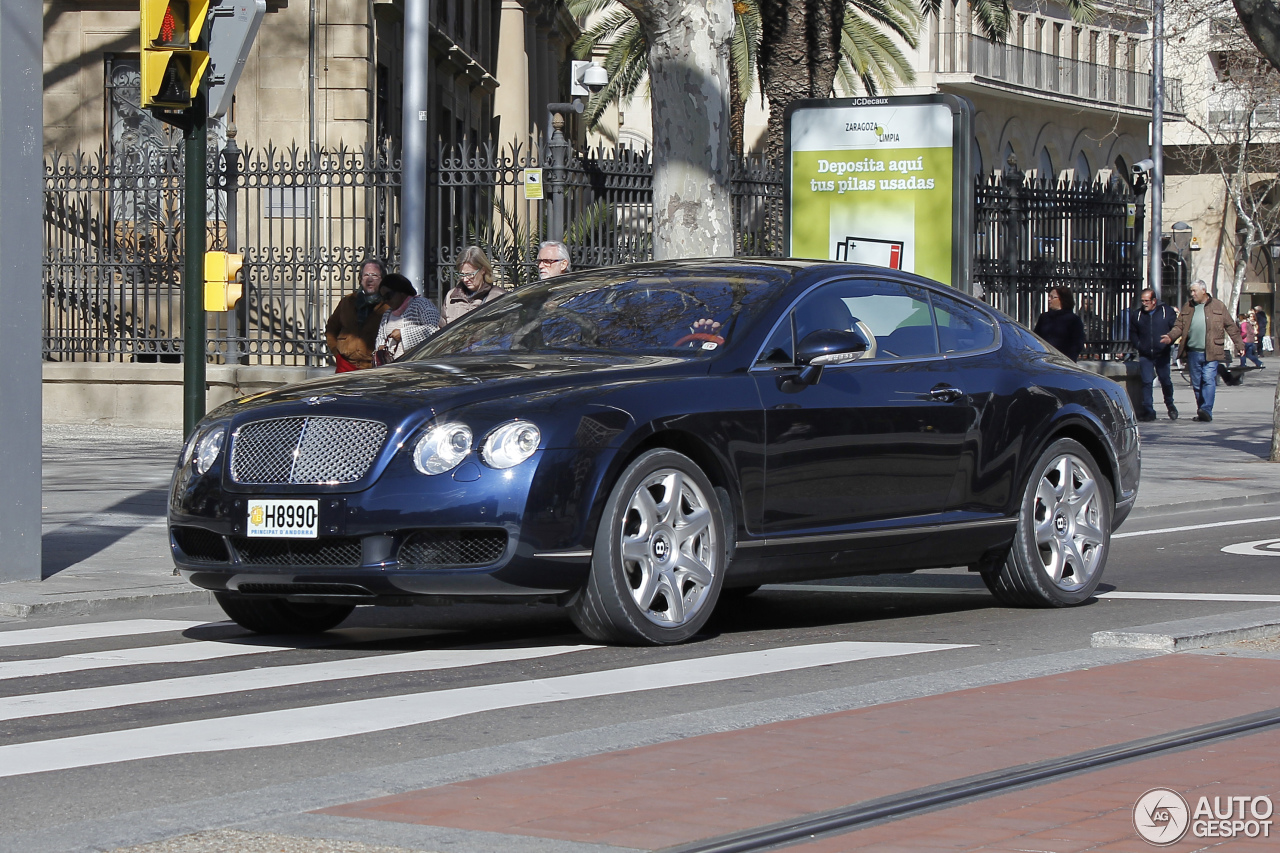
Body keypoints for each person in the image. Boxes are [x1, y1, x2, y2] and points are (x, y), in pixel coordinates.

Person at [1160, 280, 1245, 422]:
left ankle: (1206, 409)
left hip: (1212, 350)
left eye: (1194, 291)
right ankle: (1202, 411)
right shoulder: (1188, 307)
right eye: (1191, 291)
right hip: (1193, 352)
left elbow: (1231, 326)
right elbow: (1179, 326)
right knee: (1197, 382)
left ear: (1203, 291)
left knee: (1208, 379)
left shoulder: (1218, 306)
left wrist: (1240, 345)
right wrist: (1170, 337)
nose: (1192, 294)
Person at [325, 258, 388, 371]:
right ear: (360, 279)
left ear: (382, 279)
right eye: (366, 275)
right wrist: (337, 353)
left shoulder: (388, 305)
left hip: (374, 367)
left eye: (374, 275)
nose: (369, 279)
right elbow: (331, 328)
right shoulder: (347, 301)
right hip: (346, 365)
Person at [1129, 288, 1179, 421]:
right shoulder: (1137, 315)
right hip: (1145, 354)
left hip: (1162, 353)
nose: (1144, 303)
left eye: (1147, 301)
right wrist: (1139, 345)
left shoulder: (1166, 312)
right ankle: (1149, 410)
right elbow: (1133, 332)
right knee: (1146, 382)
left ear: (1154, 301)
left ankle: (1170, 404)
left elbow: (1176, 328)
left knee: (1165, 380)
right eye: (1142, 301)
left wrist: (1169, 339)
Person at [373, 273, 442, 364]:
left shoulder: (421, 304)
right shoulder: (387, 314)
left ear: (401, 292)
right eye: (383, 298)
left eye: (388, 296)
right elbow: (380, 337)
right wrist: (380, 347)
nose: (386, 301)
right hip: (392, 370)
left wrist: (403, 334)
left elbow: (436, 330)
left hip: (417, 366)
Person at [442, 246, 508, 325]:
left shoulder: (499, 297)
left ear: (483, 270)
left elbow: (510, 330)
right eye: (462, 274)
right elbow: (441, 330)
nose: (465, 279)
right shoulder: (451, 297)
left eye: (470, 274)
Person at [1033, 286, 1086, 362]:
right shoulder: (1044, 317)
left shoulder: (1073, 320)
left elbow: (1077, 344)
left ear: (1062, 299)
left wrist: (1068, 360)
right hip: (1044, 361)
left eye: (1052, 297)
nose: (1049, 299)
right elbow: (1036, 338)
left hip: (1063, 363)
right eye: (1049, 296)